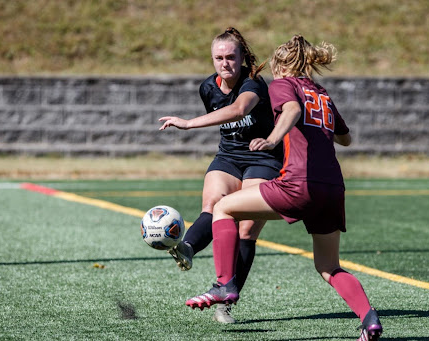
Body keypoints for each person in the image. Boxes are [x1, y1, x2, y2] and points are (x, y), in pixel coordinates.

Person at [184, 35, 383, 341]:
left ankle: (225, 283)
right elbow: (346, 138)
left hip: (298, 184)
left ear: (279, 64)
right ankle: (369, 320)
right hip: (333, 189)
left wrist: (273, 139)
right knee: (329, 266)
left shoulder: (281, 85)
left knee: (223, 207)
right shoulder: (321, 92)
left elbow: (291, 111)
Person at [158, 27, 283, 324]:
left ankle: (226, 300)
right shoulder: (207, 88)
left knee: (247, 228)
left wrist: (188, 124)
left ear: (241, 59)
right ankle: (187, 247)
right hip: (228, 156)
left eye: (230, 57)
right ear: (212, 60)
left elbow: (239, 110)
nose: (225, 63)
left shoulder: (253, 83)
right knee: (213, 204)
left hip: (263, 157)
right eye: (218, 58)